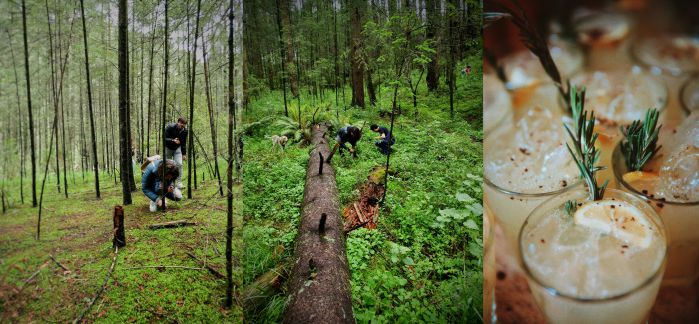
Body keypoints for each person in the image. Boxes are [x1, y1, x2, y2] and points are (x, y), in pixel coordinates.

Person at [164, 117, 188, 190]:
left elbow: (183, 143)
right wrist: (172, 140)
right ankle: (167, 183)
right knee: (168, 165)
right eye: (181, 124)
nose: (182, 126)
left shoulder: (185, 131)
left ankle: (179, 183)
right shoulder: (170, 127)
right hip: (168, 148)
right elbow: (164, 138)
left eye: (184, 125)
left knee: (179, 164)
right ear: (178, 122)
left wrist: (184, 154)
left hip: (177, 149)